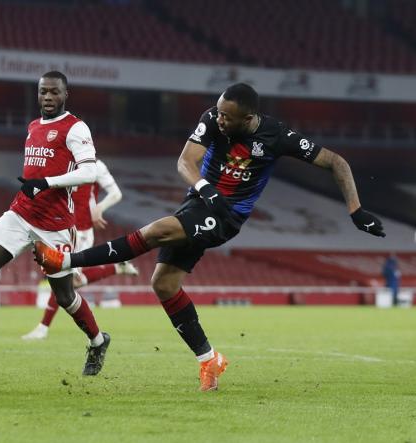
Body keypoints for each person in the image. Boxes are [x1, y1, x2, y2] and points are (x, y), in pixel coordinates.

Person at [34, 82, 386, 391]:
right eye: (217, 112)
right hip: (200, 203)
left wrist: (356, 211)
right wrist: (206, 188)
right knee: (163, 285)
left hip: (227, 216)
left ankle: (66, 260)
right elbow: (185, 162)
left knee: (158, 230)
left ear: (248, 119)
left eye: (226, 117)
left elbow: (337, 162)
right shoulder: (212, 119)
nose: (218, 120)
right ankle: (210, 359)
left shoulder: (277, 136)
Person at [0, 71, 111, 377]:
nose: (48, 98)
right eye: (43, 92)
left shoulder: (75, 128)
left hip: (55, 225)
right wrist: (37, 185)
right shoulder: (33, 126)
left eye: (54, 92)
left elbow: (89, 173)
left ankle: (97, 340)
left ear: (66, 95)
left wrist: (46, 182)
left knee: (64, 296)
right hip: (21, 213)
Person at [22, 158, 139, 340]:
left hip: (81, 231)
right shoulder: (61, 161)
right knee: (64, 279)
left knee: (65, 279)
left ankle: (43, 327)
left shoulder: (96, 166)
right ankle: (117, 267)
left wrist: (99, 208)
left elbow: (116, 194)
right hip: (61, 228)